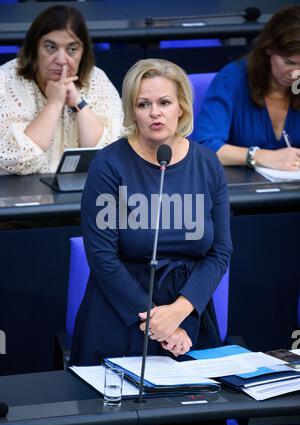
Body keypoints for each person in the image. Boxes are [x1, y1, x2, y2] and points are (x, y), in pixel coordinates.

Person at [70, 58, 232, 366]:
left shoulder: (208, 164)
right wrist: (157, 325)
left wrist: (179, 312)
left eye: (164, 102)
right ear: (132, 112)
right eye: (143, 104)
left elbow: (221, 250)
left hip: (190, 315)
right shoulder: (108, 165)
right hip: (122, 315)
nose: (155, 112)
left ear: (182, 106)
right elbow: (102, 256)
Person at [0, 5, 123, 175]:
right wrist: (54, 104)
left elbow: (106, 154)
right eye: (50, 47)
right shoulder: (6, 80)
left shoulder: (96, 79)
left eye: (72, 49)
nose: (61, 60)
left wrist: (78, 103)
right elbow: (17, 159)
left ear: (83, 52)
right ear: (34, 48)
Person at [197, 5, 300, 171]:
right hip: (243, 188)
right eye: (288, 62)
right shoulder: (232, 79)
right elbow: (204, 147)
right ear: (269, 49)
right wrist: (259, 156)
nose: (296, 73)